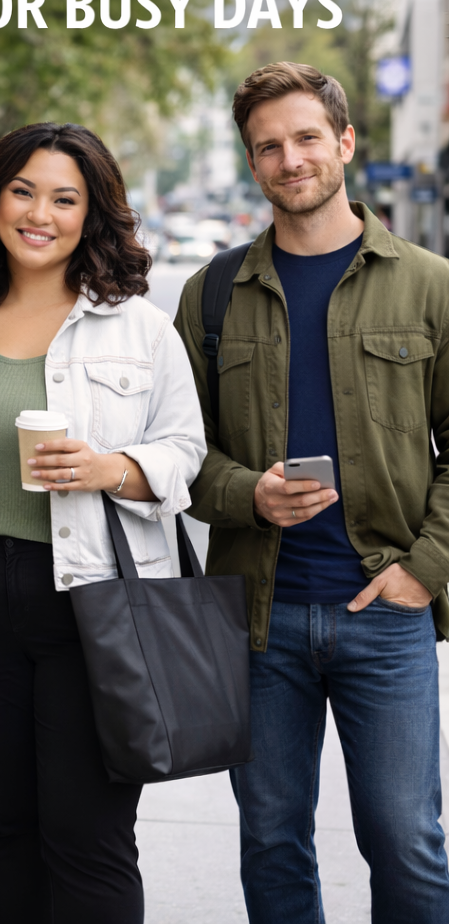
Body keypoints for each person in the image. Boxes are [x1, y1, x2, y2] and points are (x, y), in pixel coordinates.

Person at [173, 62, 449, 923]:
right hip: (257, 624)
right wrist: (245, 493)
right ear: (252, 162)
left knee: (407, 841)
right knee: (271, 840)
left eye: (305, 138)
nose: (290, 159)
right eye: (268, 147)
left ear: (345, 142)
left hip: (386, 614)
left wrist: (424, 571)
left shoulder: (431, 285)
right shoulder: (211, 294)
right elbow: (178, 452)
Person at [0, 122, 206, 924]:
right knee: (1, 830)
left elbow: (186, 450)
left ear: (92, 214)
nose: (39, 214)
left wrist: (113, 468)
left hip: (94, 610)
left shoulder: (140, 328)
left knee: (89, 840)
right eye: (23, 191)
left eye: (64, 198)